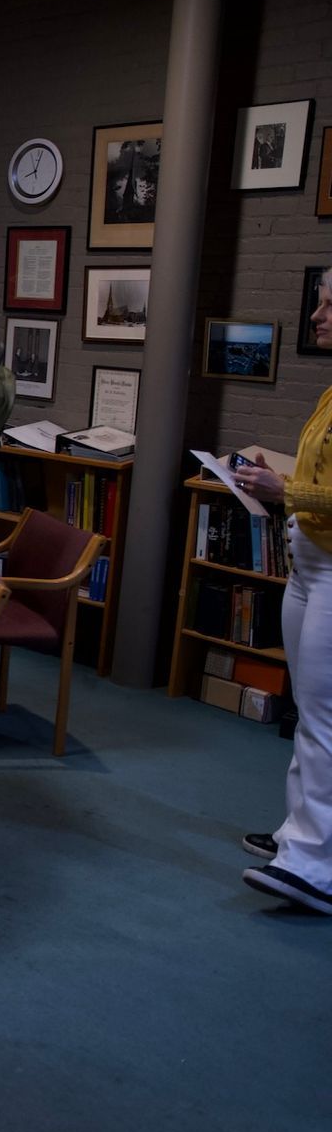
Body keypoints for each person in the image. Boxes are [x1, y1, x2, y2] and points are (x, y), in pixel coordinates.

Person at [233, 265, 332, 916]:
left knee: (326, 717)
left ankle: (318, 864)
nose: (318, 316)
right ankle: (303, 833)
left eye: (328, 306)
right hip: (311, 562)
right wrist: (277, 473)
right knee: (309, 710)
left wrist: (285, 491)